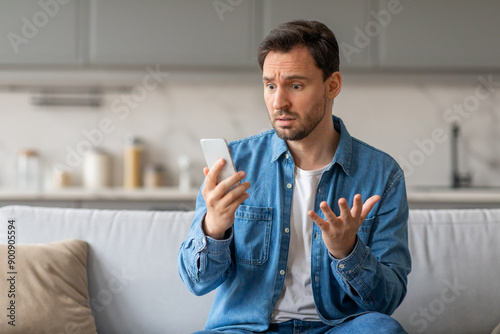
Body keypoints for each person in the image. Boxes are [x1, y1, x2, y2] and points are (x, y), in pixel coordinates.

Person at [178, 20, 411, 334]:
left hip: (337, 328)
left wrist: (348, 251)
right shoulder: (233, 163)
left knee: (383, 329)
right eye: (270, 85)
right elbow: (197, 282)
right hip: (247, 328)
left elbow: (387, 300)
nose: (279, 102)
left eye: (295, 85)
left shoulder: (382, 174)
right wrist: (214, 228)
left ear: (333, 85)